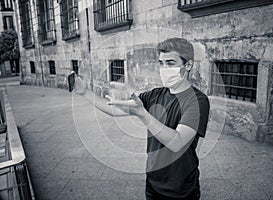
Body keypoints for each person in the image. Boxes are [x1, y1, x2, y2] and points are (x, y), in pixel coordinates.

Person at [71, 38, 210, 200]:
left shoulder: (198, 101)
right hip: (153, 181)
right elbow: (114, 110)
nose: (164, 69)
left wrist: (142, 114)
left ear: (188, 66)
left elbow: (177, 142)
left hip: (180, 187)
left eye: (170, 63)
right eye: (161, 63)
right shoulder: (155, 94)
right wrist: (84, 93)